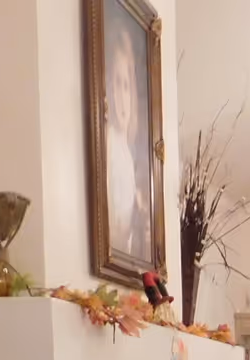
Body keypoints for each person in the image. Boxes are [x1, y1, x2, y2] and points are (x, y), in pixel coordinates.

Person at [104, 20, 151, 261]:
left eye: (127, 86)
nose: (123, 97)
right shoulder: (109, 144)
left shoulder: (125, 150)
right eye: (117, 83)